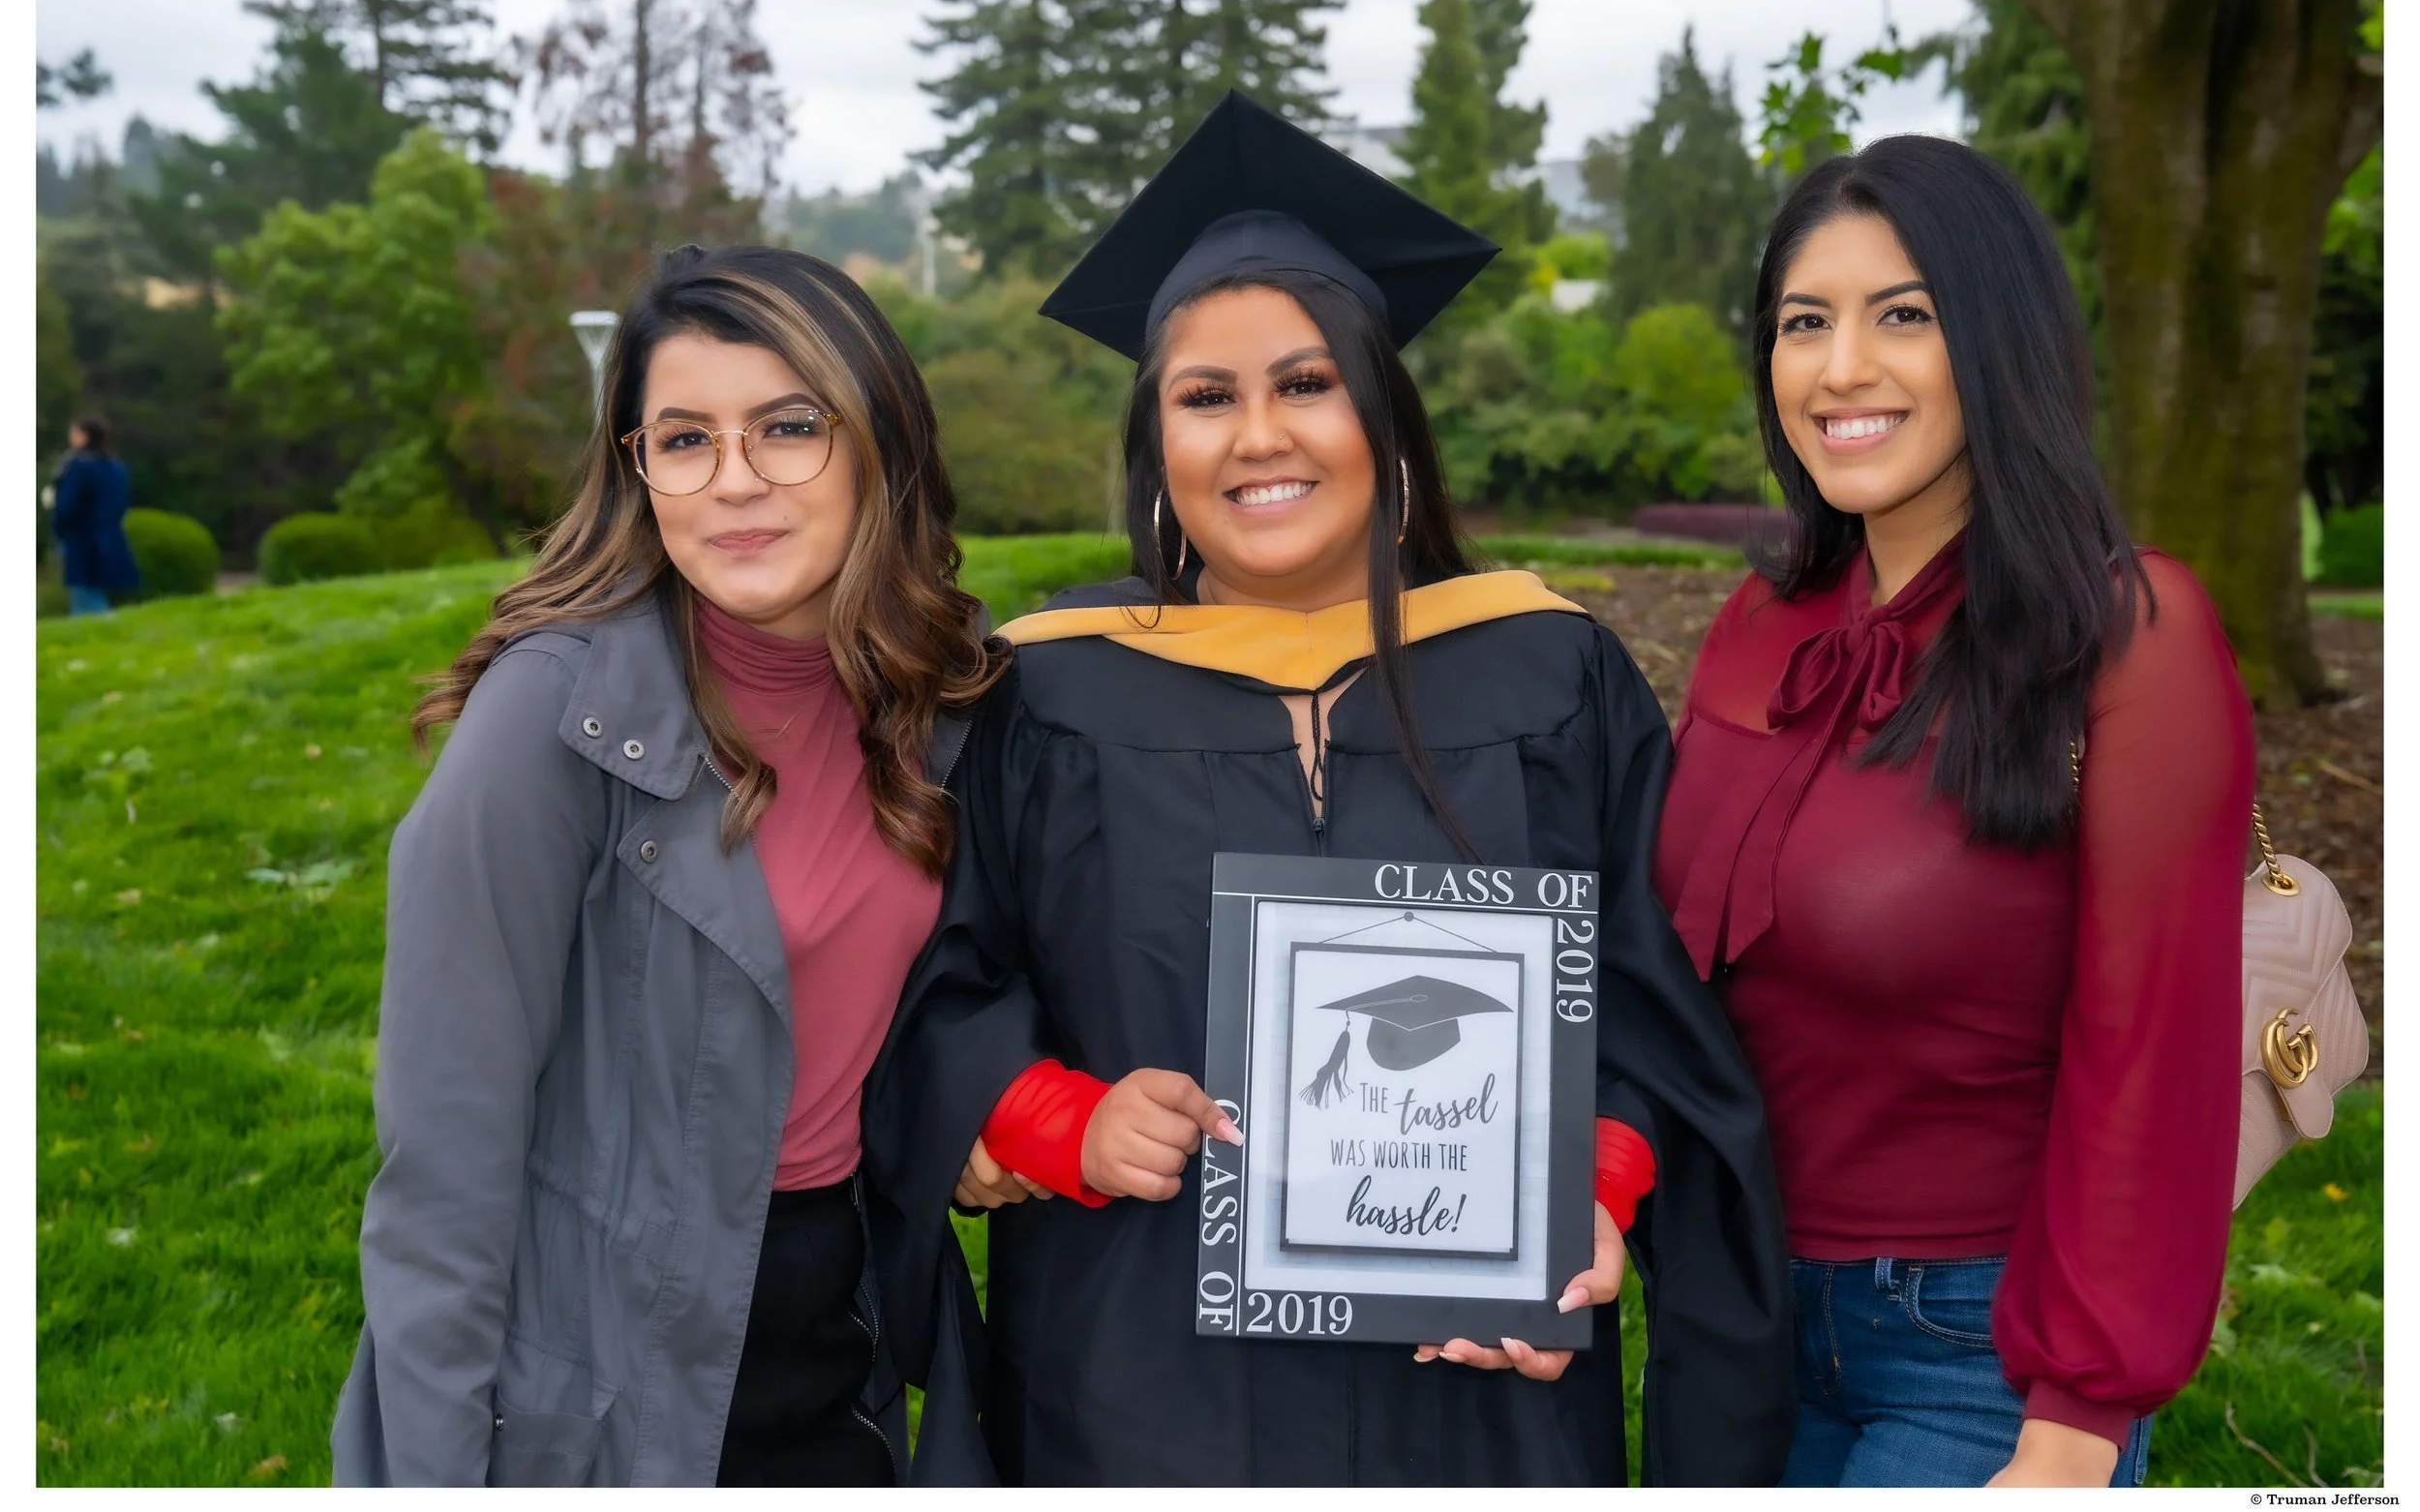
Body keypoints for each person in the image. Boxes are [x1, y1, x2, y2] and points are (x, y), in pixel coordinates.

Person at [862, 92, 1795, 1488]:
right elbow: (933, 992)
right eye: (1205, 396)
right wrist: (1054, 1118)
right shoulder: (1045, 696)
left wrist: (1586, 1189)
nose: (1259, 436)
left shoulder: (1547, 677)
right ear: (1157, 445)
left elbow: (1655, 1006)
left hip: (1480, 1395)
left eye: (1306, 383)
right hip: (1138, 1384)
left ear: (1386, 415)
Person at [329, 245, 1005, 1486]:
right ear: (636, 469)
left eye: (788, 427)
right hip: (604, 1382)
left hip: (844, 1339)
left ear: (877, 438)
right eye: (684, 439)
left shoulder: (943, 698)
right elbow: (443, 1174)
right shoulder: (550, 724)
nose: (735, 481)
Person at [1651, 136, 2254, 1489]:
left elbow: (2154, 1051)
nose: (1841, 367)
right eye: (1804, 322)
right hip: (1734, 1322)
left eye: (1903, 315)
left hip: (1979, 1353)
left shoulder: (2127, 637)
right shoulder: (1763, 626)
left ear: (1998, 337)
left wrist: (2076, 1418)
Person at [51, 414, 138, 614]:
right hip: (110, 535)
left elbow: (66, 505)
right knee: (96, 591)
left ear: (85, 435)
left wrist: (59, 528)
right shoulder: (116, 467)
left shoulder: (78, 466)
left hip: (81, 538)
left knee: (85, 597)